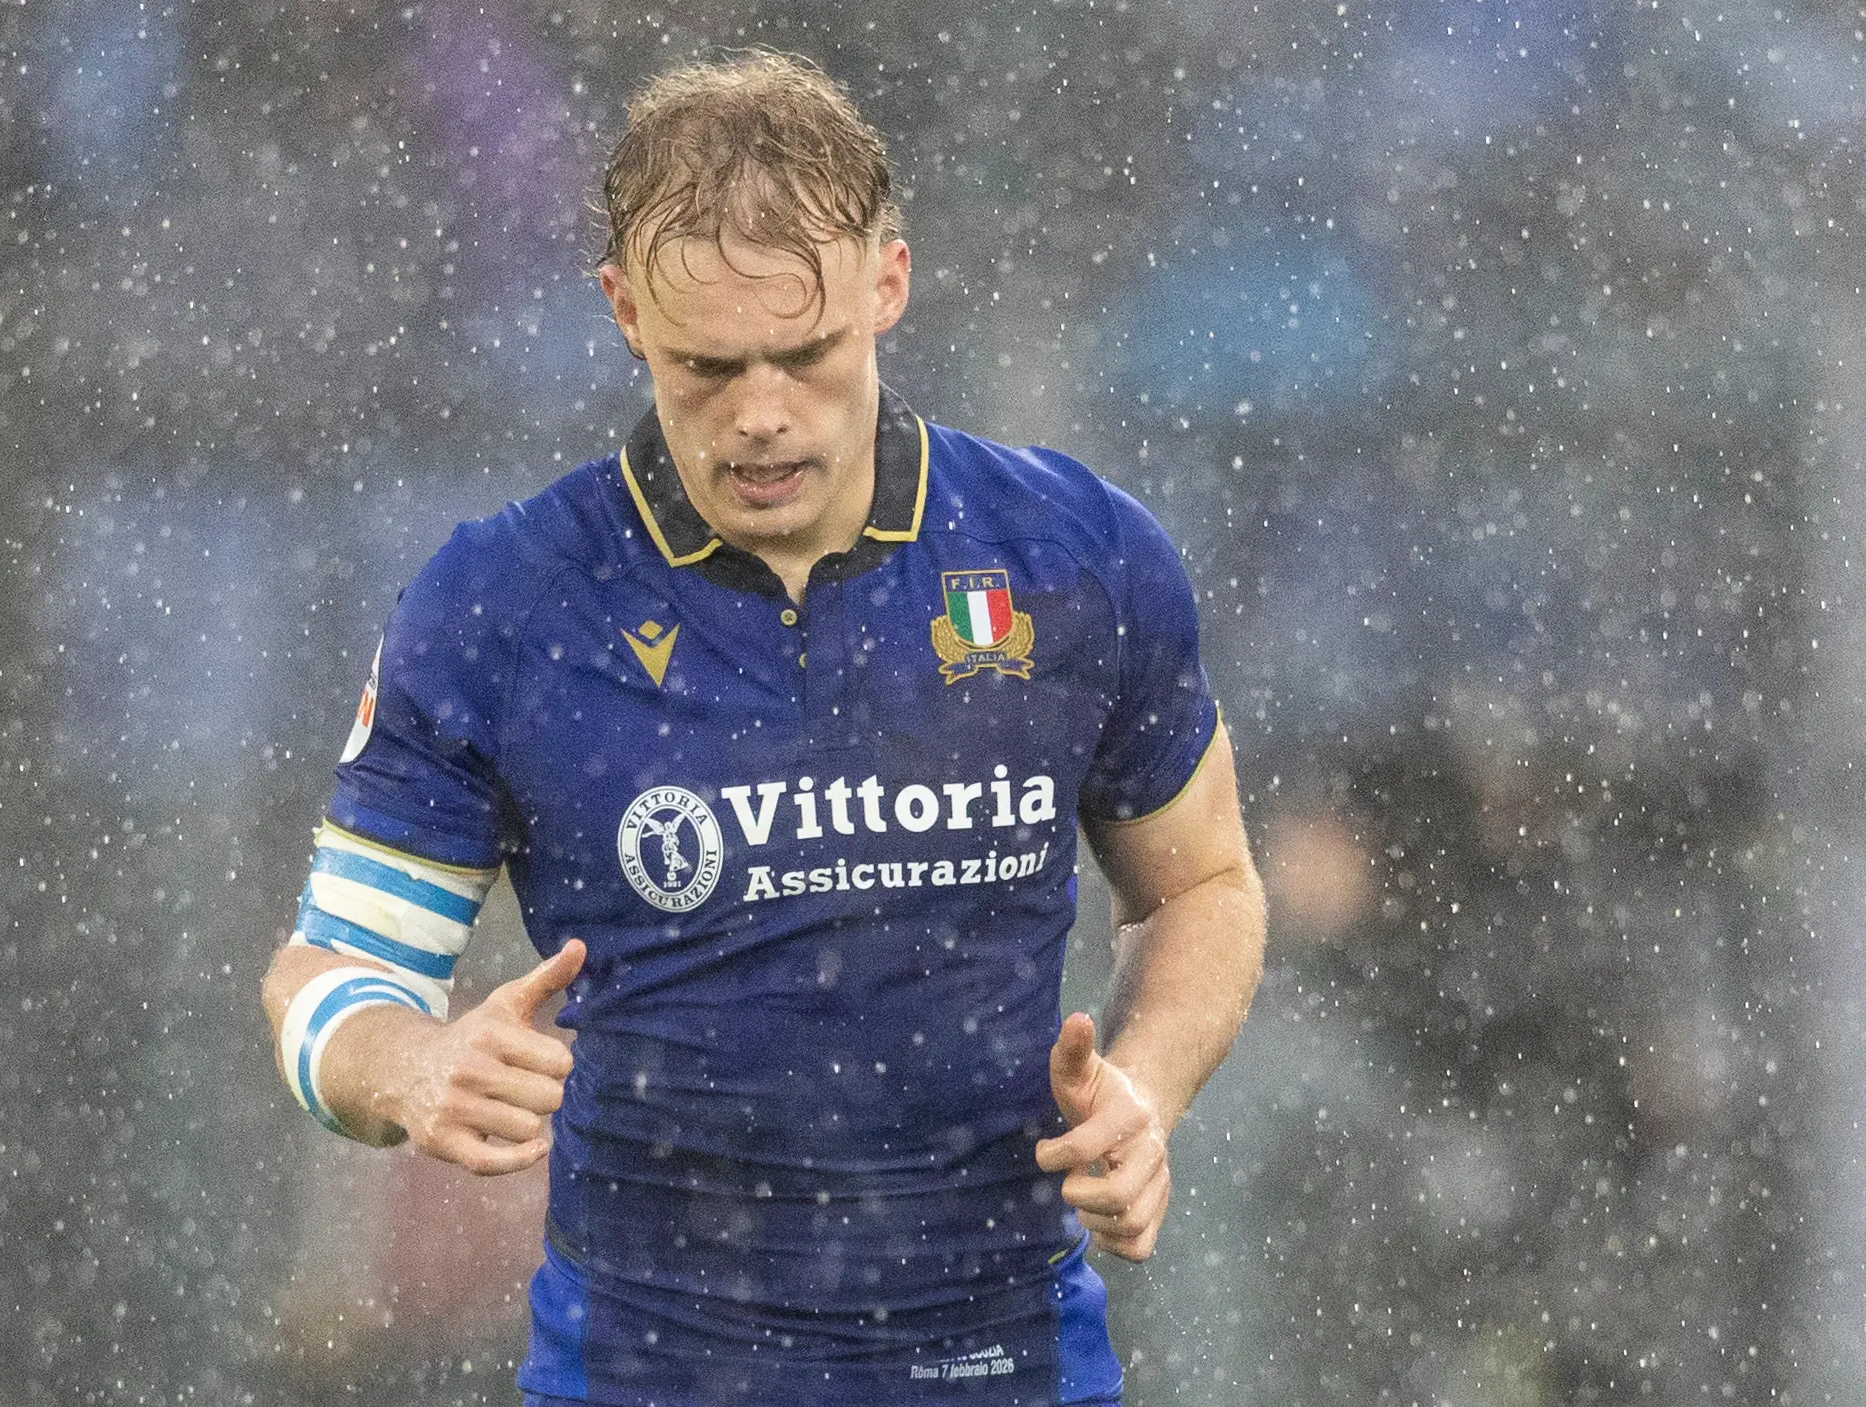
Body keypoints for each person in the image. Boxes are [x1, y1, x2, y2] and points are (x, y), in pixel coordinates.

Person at [261, 51, 1266, 1407]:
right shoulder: (503, 602)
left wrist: (1143, 1090)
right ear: (623, 314)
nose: (763, 413)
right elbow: (327, 976)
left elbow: (1204, 881)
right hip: (645, 1374)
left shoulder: (1071, 555)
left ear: (889, 287)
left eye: (806, 352)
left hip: (1003, 1364)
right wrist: (412, 1062)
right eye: (707, 366)